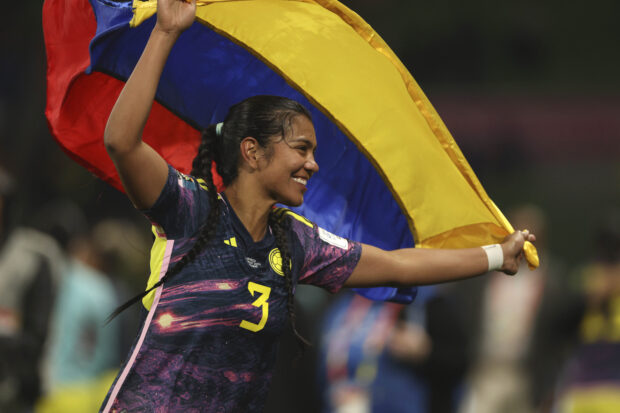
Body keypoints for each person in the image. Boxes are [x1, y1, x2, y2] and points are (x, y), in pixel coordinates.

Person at [99, 1, 536, 411]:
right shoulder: (189, 207)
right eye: (301, 149)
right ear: (252, 152)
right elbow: (121, 140)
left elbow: (399, 266)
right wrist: (166, 31)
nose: (313, 164)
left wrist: (497, 255)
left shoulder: (295, 243)